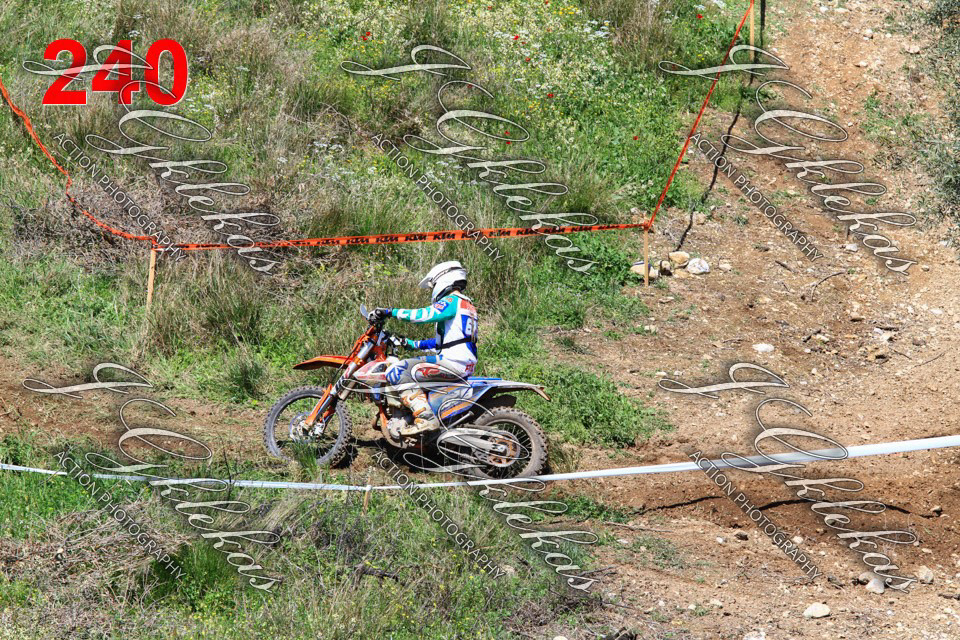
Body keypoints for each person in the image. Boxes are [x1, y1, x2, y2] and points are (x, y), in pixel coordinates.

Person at [371, 260, 478, 436]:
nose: (433, 289)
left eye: (433, 285)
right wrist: (412, 344)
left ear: (443, 279)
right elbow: (445, 341)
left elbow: (423, 315)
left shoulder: (452, 301)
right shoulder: (467, 304)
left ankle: (425, 418)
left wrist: (390, 311)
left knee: (397, 370)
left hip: (452, 362)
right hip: (462, 362)